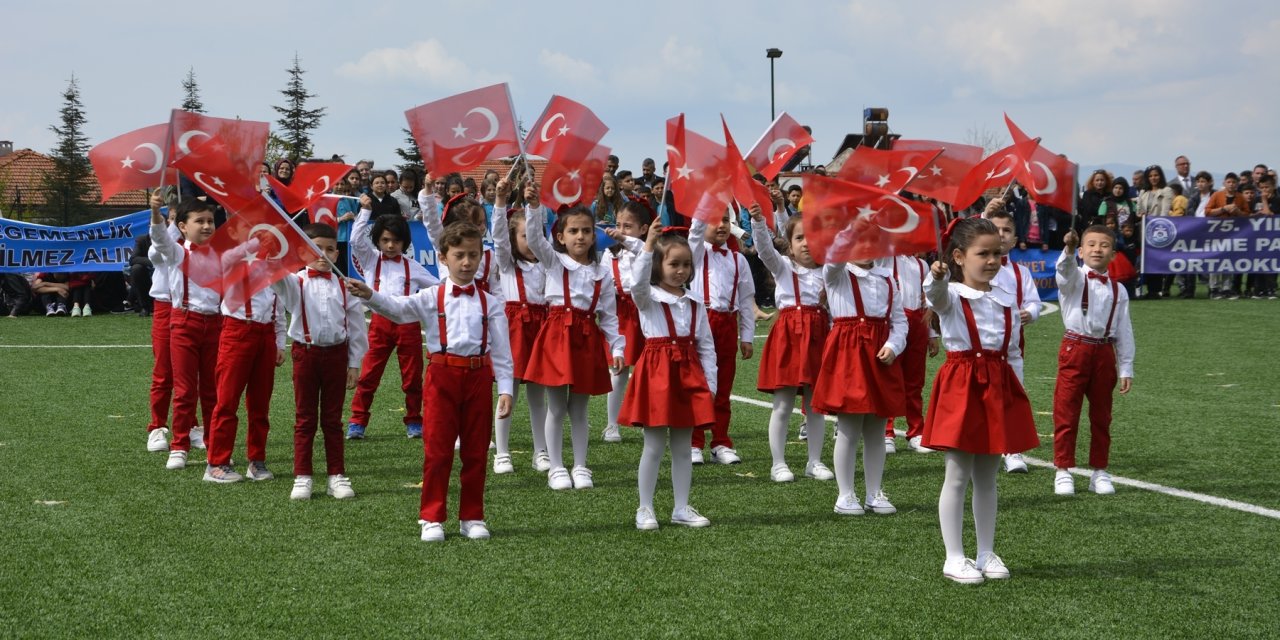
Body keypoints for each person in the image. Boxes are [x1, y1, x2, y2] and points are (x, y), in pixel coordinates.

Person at [350, 221, 514, 542]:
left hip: (479, 379)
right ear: (443, 258)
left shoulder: (491, 304)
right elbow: (398, 309)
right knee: (438, 451)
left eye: (473, 256)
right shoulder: (431, 296)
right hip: (441, 377)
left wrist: (506, 389)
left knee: (476, 451)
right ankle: (432, 516)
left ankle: (472, 515)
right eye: (459, 256)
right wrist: (371, 295)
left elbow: (503, 352)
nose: (466, 263)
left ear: (481, 257)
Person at [923, 217, 1039, 584]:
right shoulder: (951, 295)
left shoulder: (1007, 300)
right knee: (957, 475)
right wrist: (937, 276)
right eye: (982, 254)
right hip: (962, 386)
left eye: (997, 254)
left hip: (998, 388)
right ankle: (954, 556)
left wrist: (1014, 394)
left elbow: (1014, 353)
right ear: (958, 256)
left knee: (988, 477)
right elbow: (935, 296)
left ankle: (986, 551)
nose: (992, 260)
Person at [615, 222, 716, 530]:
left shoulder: (696, 303)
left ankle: (681, 506)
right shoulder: (648, 298)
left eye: (686, 264)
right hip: (657, 373)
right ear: (659, 266)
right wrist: (647, 246)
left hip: (688, 373)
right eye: (674, 264)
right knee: (654, 445)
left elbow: (706, 346)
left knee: (683, 446)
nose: (681, 270)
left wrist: (710, 384)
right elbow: (637, 286)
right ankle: (645, 507)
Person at [523, 203, 624, 490]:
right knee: (555, 407)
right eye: (573, 231)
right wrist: (532, 207)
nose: (580, 236)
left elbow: (608, 315)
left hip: (586, 338)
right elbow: (533, 239)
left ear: (594, 236)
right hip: (557, 335)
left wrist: (617, 348)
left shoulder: (601, 273)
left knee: (579, 408)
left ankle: (580, 465)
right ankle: (556, 466)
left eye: (586, 231)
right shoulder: (554, 261)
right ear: (560, 236)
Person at [811, 225, 908, 516]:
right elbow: (833, 262)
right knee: (849, 428)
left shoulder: (888, 279)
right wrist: (849, 227)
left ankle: (874, 492)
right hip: (848, 355)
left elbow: (899, 321)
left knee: (877, 429)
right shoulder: (838, 274)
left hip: (880, 357)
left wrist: (893, 345)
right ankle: (846, 494)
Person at [270, 224, 369, 500]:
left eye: (328, 249)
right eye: (315, 249)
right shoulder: (296, 281)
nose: (322, 255)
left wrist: (354, 362)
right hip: (306, 354)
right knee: (305, 418)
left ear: (337, 254)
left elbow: (357, 326)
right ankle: (303, 475)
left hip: (337, 355)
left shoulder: (346, 286)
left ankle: (336, 474)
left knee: (333, 419)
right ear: (303, 251)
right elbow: (275, 275)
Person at [748, 209, 834, 482]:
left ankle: (815, 461)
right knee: (783, 404)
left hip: (819, 338)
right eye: (800, 238)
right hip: (789, 337)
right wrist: (758, 222)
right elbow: (764, 249)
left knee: (815, 405)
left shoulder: (829, 273)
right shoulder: (784, 266)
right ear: (790, 244)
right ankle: (778, 463)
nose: (807, 243)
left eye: (813, 237)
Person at [345, 196, 439, 439]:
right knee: (368, 376)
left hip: (408, 325)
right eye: (385, 240)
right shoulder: (370, 260)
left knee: (412, 379)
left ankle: (414, 421)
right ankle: (357, 421)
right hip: (379, 325)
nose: (390, 246)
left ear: (405, 242)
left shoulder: (413, 266)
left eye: (396, 241)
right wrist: (365, 211)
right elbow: (355, 239)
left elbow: (439, 288)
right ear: (377, 241)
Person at [1051, 225, 1134, 497]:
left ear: (1113, 253)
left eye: (1104, 245)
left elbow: (1124, 329)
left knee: (1102, 415)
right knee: (1067, 412)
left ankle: (1099, 469)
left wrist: (1125, 366)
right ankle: (1063, 470)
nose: (1097, 249)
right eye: (1091, 244)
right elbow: (1064, 272)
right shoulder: (1074, 278)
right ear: (1083, 250)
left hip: (1104, 352)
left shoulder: (1119, 290)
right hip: (1076, 348)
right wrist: (1069, 249)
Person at [148, 195, 222, 471]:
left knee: (212, 390)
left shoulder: (221, 254)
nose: (206, 226)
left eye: (210, 221)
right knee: (184, 390)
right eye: (199, 221)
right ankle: (179, 445)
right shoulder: (178, 252)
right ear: (182, 226)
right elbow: (159, 241)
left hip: (215, 323)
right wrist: (156, 212)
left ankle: (215, 444)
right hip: (183, 322)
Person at [203, 255, 287, 483]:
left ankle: (257, 460)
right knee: (227, 400)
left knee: (260, 403)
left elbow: (279, 307)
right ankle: (216, 463)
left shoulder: (275, 265)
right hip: (237, 330)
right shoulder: (232, 259)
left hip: (266, 334)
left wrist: (280, 341)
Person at [489, 180, 550, 474]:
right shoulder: (507, 264)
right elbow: (499, 238)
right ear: (515, 240)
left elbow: (539, 237)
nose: (532, 241)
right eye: (525, 236)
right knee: (507, 390)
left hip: (541, 329)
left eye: (536, 236)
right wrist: (500, 201)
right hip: (512, 328)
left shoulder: (549, 263)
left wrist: (534, 205)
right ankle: (501, 452)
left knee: (539, 396)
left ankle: (541, 450)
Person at [688, 208, 756, 465]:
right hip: (700, 324)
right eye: (714, 221)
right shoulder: (695, 254)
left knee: (724, 387)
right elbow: (694, 235)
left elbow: (746, 298)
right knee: (697, 385)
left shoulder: (738, 260)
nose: (721, 225)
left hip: (727, 324)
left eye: (725, 220)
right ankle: (694, 442)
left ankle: (720, 442)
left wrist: (746, 336)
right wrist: (703, 206)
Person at [986, 203, 1042, 473]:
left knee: (1013, 394)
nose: (1002, 234)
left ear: (1015, 239)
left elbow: (1034, 301)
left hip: (1012, 346)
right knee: (983, 396)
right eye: (995, 229)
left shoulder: (1021, 272)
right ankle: (983, 445)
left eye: (1007, 230)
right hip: (981, 346)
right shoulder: (977, 268)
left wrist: (1031, 312)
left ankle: (1013, 450)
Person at [602, 200, 653, 444]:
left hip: (647, 310)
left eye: (628, 227)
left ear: (643, 229)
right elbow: (603, 282)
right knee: (619, 368)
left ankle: (646, 418)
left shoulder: (646, 248)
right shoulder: (609, 253)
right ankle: (612, 424)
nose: (621, 231)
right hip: (621, 310)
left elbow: (642, 253)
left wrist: (625, 239)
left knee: (648, 369)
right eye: (619, 225)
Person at [883, 252, 941, 455]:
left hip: (918, 323)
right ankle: (886, 432)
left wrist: (932, 334)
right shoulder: (886, 259)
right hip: (894, 322)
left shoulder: (922, 265)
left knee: (915, 380)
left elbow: (928, 302)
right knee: (890, 379)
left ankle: (916, 431)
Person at [143, 213, 180, 452]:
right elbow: (159, 252)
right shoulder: (158, 246)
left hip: (192, 309)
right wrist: (173, 225)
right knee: (164, 371)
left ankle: (192, 426)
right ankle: (157, 427)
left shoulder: (196, 244)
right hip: (165, 306)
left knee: (193, 374)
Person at [1206, 173, 1249, 299]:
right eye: (1229, 182)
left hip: (1233, 235)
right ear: (1224, 183)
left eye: (1234, 182)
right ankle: (1213, 288)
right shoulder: (1217, 195)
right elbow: (1208, 212)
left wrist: (1238, 212)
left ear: (1237, 184)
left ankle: (1226, 288)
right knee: (1215, 260)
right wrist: (1224, 209)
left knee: (1228, 261)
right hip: (1217, 233)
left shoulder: (1240, 198)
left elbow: (1247, 215)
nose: (1231, 184)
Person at [1136, 165, 1174, 298]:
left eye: (1156, 175)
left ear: (1161, 176)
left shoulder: (1166, 190)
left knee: (1157, 259)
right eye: (1151, 176)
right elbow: (1138, 210)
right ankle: (1147, 288)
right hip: (1144, 230)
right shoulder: (1143, 192)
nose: (1153, 178)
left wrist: (1156, 223)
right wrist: (1140, 214)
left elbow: (1164, 212)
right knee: (1145, 260)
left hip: (1159, 229)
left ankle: (1156, 289)